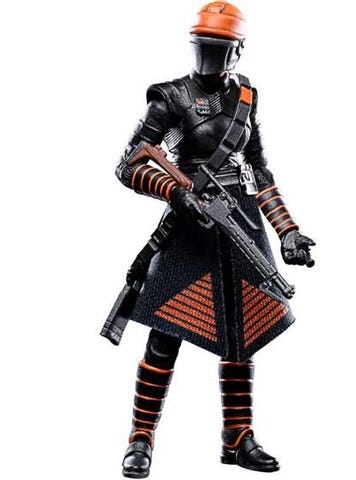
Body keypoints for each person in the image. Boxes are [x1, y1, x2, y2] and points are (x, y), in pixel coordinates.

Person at [112, 2, 315, 477]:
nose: (211, 55)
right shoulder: (169, 97)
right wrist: (174, 192)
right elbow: (128, 165)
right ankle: (141, 437)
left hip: (239, 220)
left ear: (237, 50)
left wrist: (288, 230)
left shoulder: (246, 97)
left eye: (220, 47)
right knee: (166, 332)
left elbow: (259, 170)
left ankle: (238, 436)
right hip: (189, 225)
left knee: (243, 334)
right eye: (204, 45)